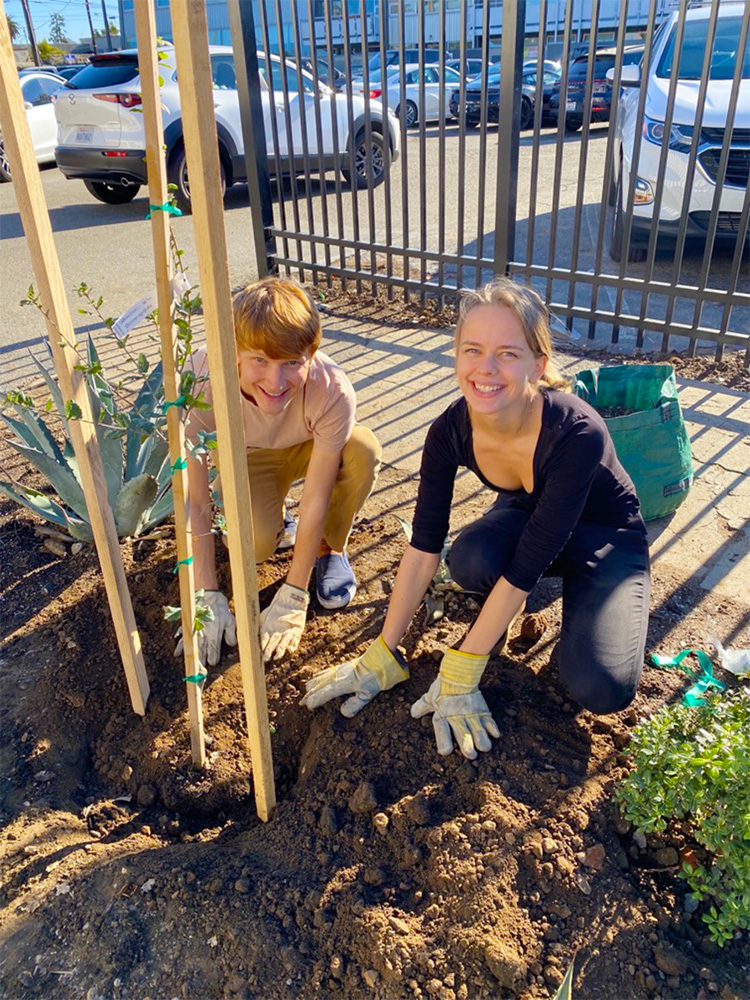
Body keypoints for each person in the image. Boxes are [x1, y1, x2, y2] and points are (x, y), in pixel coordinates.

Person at [302, 277, 650, 759]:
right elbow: (424, 547)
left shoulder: (576, 433)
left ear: (538, 364)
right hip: (532, 515)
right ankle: (524, 604)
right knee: (469, 558)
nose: (486, 368)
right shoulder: (448, 431)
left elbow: (525, 566)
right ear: (456, 356)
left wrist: (464, 667)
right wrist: (383, 651)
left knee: (600, 688)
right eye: (472, 350)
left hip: (604, 538)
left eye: (508, 353)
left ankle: (576, 600)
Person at [178, 276, 381, 667]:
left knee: (363, 450)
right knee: (254, 547)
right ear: (235, 351)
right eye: (260, 360)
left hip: (311, 446)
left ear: (311, 354)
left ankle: (329, 547)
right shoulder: (200, 381)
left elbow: (317, 495)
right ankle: (278, 522)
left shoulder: (332, 390)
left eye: (292, 363)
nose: (275, 381)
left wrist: (293, 592)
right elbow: (195, 497)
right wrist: (206, 590)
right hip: (248, 455)